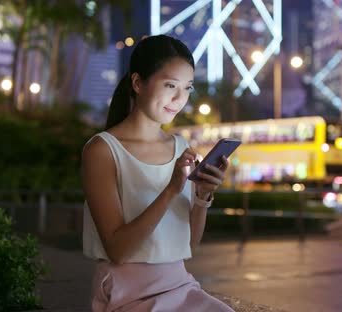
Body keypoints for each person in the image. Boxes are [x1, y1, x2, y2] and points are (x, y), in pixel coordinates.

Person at [81, 35, 234, 311]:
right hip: (127, 291)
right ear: (138, 83)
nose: (179, 98)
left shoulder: (181, 147)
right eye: (169, 85)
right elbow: (118, 250)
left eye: (187, 88)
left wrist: (202, 196)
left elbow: (188, 245)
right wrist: (171, 190)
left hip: (179, 284)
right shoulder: (103, 150)